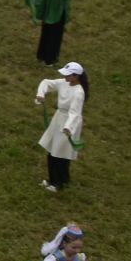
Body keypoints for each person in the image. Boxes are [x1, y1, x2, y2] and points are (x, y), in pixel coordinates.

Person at [34, 62, 87, 192]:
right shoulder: (64, 83)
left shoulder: (79, 92)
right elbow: (46, 82)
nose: (65, 77)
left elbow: (75, 113)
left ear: (76, 76)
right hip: (59, 119)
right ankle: (62, 179)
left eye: (68, 75)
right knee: (58, 151)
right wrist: (41, 93)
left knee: (57, 153)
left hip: (69, 123)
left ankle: (56, 183)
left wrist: (68, 128)